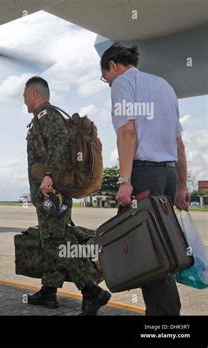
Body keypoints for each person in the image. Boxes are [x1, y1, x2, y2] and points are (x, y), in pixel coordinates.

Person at [101, 43, 189, 315]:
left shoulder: (123, 83)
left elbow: (127, 132)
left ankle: (165, 321)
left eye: (105, 77)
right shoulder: (164, 86)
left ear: (113, 66)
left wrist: (124, 180)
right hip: (168, 173)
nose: (107, 83)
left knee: (146, 250)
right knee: (157, 245)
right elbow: (179, 144)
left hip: (144, 175)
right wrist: (183, 186)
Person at [23, 76, 111, 315]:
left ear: (33, 94)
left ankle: (91, 290)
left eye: (24, 96)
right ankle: (49, 291)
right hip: (50, 192)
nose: (24, 101)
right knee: (51, 238)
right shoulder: (41, 119)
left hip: (52, 192)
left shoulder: (47, 116)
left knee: (57, 241)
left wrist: (49, 175)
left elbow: (60, 142)